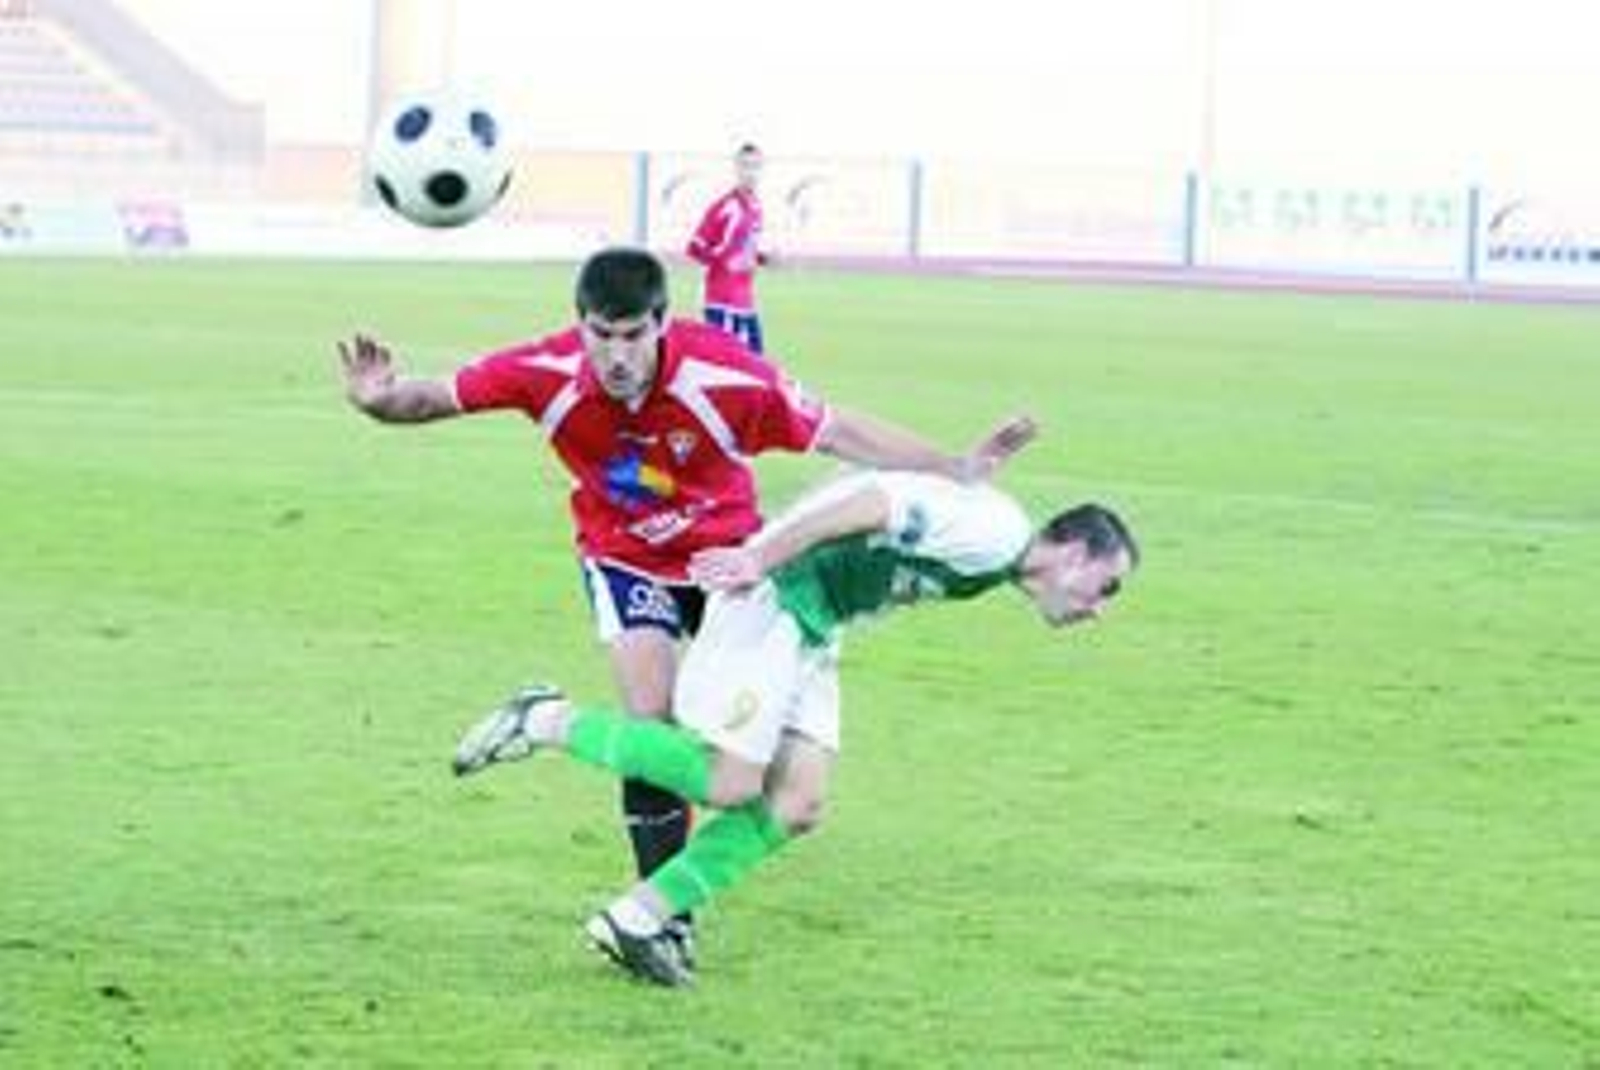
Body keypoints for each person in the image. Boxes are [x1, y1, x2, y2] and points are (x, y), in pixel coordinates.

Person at [338, 246, 1037, 962]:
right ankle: (660, 919)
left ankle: (565, 757)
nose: (616, 355)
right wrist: (378, 400)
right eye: (600, 335)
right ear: (579, 325)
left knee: (743, 772)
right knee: (652, 720)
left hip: (727, 561)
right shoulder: (545, 373)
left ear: (661, 324)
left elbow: (838, 430)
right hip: (623, 557)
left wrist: (954, 467)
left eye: (633, 335)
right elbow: (438, 396)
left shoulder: (722, 372)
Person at [451, 464, 1140, 987]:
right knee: (728, 781)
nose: (1099, 609)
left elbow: (880, 495)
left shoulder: (1000, 546)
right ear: (1075, 553)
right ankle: (542, 719)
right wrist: (760, 558)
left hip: (817, 626)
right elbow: (869, 503)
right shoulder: (994, 536)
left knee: (798, 802)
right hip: (777, 601)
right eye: (1105, 587)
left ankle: (635, 919)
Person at [685, 143, 771, 354]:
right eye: (745, 166)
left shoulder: (756, 206)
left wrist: (760, 258)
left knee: (756, 363)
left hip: (746, 301)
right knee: (726, 365)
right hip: (722, 302)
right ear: (736, 169)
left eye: (755, 167)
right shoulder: (725, 206)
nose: (750, 173)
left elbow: (744, 249)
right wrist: (724, 262)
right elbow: (694, 248)